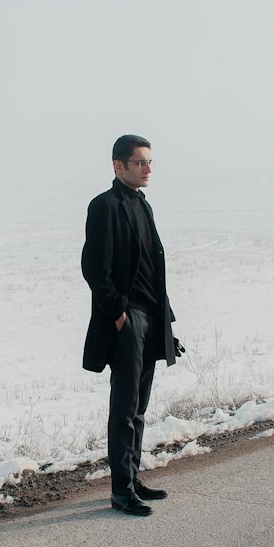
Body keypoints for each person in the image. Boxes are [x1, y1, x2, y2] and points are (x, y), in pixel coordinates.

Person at [82, 134, 182, 515]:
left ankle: (133, 478)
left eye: (149, 162)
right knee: (123, 409)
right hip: (126, 322)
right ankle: (121, 492)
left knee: (139, 408)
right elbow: (94, 268)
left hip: (150, 321)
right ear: (117, 165)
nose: (148, 169)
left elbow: (154, 271)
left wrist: (165, 320)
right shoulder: (104, 206)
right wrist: (120, 315)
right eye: (140, 162)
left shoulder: (143, 205)